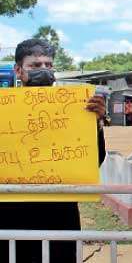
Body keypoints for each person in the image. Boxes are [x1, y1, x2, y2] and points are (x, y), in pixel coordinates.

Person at [0, 38, 107, 262]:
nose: (44, 70)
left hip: (60, 213)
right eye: (35, 65)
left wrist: (95, 126)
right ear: (18, 70)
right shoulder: (4, 109)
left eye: (48, 65)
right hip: (10, 214)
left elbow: (95, 160)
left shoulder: (76, 108)